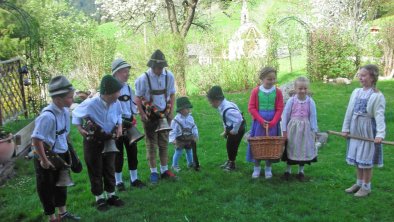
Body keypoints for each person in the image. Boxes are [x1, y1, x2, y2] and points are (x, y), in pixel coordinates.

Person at [72, 75, 125, 211]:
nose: (119, 95)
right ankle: (99, 198)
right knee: (96, 169)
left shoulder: (116, 103)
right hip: (93, 141)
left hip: (110, 139)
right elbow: (76, 113)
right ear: (107, 93)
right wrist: (79, 128)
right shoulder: (91, 103)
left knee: (109, 167)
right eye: (116, 92)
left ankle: (111, 195)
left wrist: (119, 126)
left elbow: (119, 115)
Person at [31, 75, 80, 221]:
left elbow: (64, 133)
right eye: (70, 97)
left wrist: (69, 151)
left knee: (61, 184)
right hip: (45, 156)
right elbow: (36, 139)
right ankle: (52, 217)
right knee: (47, 188)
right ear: (58, 99)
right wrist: (44, 160)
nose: (73, 99)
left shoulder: (64, 111)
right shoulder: (47, 116)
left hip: (61, 154)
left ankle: (63, 213)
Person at [342, 64, 386, 197]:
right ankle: (359, 183)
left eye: (364, 75)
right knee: (357, 157)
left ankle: (366, 187)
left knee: (366, 159)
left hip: (367, 130)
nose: (360, 78)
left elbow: (379, 116)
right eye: (359, 75)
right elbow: (349, 111)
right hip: (356, 130)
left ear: (372, 77)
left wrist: (380, 134)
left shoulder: (377, 96)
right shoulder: (356, 92)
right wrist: (345, 128)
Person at [135, 49, 176, 184]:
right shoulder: (143, 79)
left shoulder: (169, 76)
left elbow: (172, 94)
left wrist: (171, 111)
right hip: (150, 115)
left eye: (161, 67)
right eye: (157, 67)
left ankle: (164, 170)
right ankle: (154, 172)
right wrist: (141, 114)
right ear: (151, 66)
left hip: (164, 113)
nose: (159, 70)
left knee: (164, 143)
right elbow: (138, 97)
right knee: (151, 144)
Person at [112, 58, 146, 190]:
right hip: (116, 125)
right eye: (124, 71)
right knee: (118, 153)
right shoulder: (111, 88)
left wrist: (134, 116)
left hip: (129, 123)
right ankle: (118, 182)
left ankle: (134, 179)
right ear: (116, 73)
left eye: (127, 71)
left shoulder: (127, 87)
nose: (127, 74)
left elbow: (133, 104)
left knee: (133, 151)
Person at [246, 67, 284, 179]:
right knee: (257, 144)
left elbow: (280, 108)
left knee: (270, 145)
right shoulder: (256, 91)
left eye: (274, 79)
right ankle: (256, 167)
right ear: (262, 78)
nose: (272, 81)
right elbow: (251, 108)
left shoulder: (278, 92)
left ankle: (268, 168)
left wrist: (273, 122)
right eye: (269, 79)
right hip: (259, 123)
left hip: (273, 122)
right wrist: (261, 120)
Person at [281, 76, 318, 181]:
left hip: (305, 129)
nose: (302, 91)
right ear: (295, 89)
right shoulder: (291, 101)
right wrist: (284, 131)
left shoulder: (310, 102)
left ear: (308, 89)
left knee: (303, 148)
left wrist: (314, 131)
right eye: (300, 88)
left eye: (305, 88)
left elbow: (313, 117)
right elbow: (285, 116)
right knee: (291, 148)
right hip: (293, 129)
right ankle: (287, 170)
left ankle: (301, 171)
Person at [207, 85, 245, 171]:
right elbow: (225, 120)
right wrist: (225, 130)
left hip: (238, 129)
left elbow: (239, 119)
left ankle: (232, 163)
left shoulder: (227, 109)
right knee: (229, 145)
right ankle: (230, 161)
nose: (210, 104)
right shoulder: (223, 106)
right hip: (231, 128)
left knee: (232, 146)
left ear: (216, 101)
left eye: (210, 102)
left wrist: (234, 131)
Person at [169, 97, 199, 172]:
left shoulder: (190, 118)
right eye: (187, 109)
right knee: (178, 152)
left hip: (189, 138)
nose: (189, 110)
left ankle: (190, 163)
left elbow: (194, 127)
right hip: (180, 139)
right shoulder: (176, 120)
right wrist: (173, 139)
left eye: (189, 108)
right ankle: (174, 165)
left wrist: (195, 135)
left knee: (189, 151)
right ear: (181, 110)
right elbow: (172, 130)